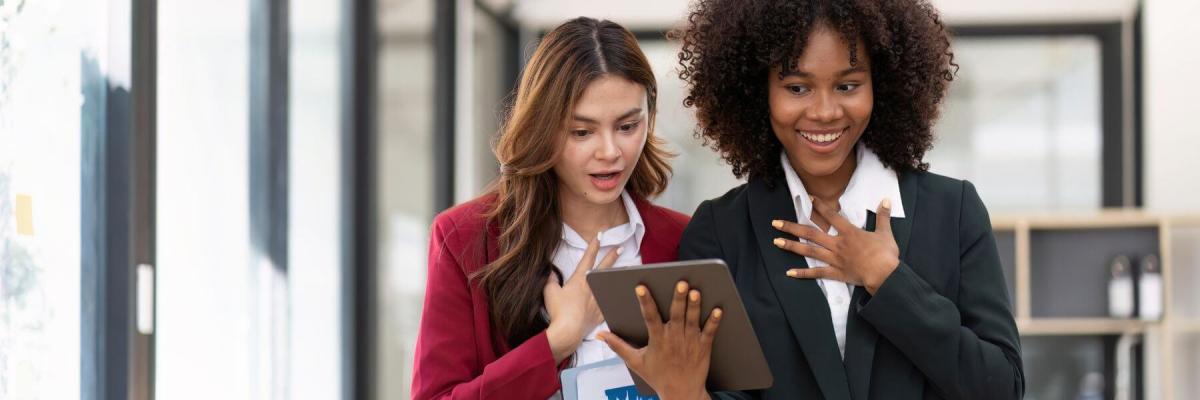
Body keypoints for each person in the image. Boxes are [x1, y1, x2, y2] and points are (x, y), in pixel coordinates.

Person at [599, 1, 1025, 398]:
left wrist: (888, 281)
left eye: (848, 85)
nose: (824, 112)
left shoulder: (953, 211)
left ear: (884, 84)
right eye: (798, 87)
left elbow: (1002, 386)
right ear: (757, 90)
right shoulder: (722, 230)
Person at [410, 17, 692, 400]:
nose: (610, 152)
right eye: (582, 132)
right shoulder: (466, 239)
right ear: (543, 128)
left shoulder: (685, 239)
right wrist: (557, 341)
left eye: (627, 126)